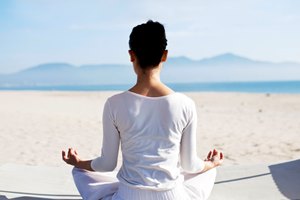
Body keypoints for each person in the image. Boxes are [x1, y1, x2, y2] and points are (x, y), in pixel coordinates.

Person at [62, 20, 224, 200]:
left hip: (129, 196)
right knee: (206, 173)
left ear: (131, 55)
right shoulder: (185, 104)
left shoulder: (114, 103)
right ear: (165, 55)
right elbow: (190, 165)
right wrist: (212, 163)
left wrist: (78, 162)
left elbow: (107, 164)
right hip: (172, 196)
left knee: (80, 171)